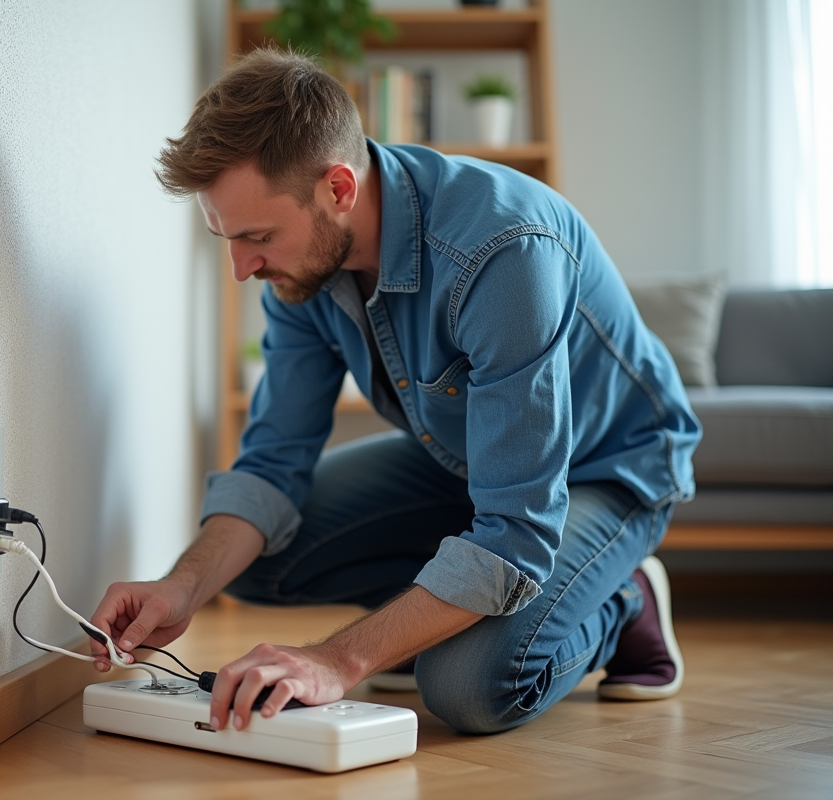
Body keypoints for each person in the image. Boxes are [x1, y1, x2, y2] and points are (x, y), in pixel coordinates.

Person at [88, 48, 700, 736]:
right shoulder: (300, 269)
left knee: (471, 687)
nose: (241, 268)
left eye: (258, 236)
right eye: (226, 238)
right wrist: (182, 586)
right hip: (464, 464)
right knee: (255, 559)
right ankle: (439, 614)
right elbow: (271, 466)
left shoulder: (503, 250)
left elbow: (516, 532)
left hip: (607, 469)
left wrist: (336, 660)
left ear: (338, 189)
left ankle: (623, 601)